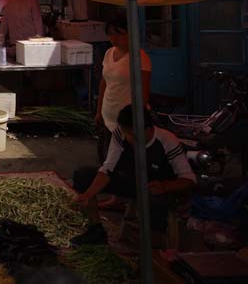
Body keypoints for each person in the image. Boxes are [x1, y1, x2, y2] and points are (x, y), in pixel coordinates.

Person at [71, 105, 195, 245]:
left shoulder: (166, 140)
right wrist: (87, 194)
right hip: (131, 182)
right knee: (83, 176)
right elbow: (108, 169)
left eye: (132, 134)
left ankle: (153, 247)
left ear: (147, 129)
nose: (128, 137)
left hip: (158, 190)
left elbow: (189, 180)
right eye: (126, 132)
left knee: (155, 199)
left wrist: (165, 186)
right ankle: (96, 230)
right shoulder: (120, 133)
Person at [96, 17, 153, 158]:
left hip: (126, 121)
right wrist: (98, 111)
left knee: (123, 160)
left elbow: (144, 94)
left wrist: (135, 122)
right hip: (107, 114)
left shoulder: (139, 57)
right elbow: (104, 83)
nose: (114, 38)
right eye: (110, 33)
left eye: (119, 33)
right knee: (106, 159)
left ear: (130, 33)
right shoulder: (109, 53)